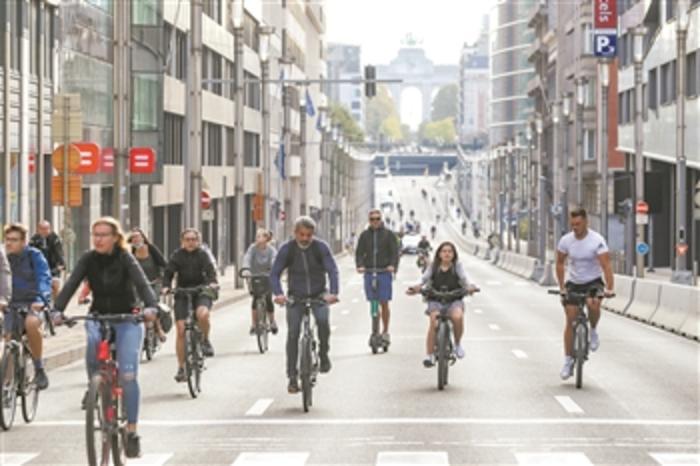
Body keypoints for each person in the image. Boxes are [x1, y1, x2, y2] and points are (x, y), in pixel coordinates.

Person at [52, 217, 158, 458]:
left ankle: (132, 431)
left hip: (127, 318)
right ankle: (96, 387)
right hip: (99, 316)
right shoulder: (88, 259)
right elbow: (71, 284)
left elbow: (142, 284)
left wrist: (151, 306)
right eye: (95, 234)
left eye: (103, 235)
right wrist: (57, 310)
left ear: (115, 238)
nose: (98, 239)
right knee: (92, 345)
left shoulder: (125, 258)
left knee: (128, 375)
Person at [270, 216, 339, 394]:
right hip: (295, 296)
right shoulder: (287, 249)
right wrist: (279, 294)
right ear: (295, 233)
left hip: (319, 294)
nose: (305, 238)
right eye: (301, 234)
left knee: (323, 321)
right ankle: (292, 377)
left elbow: (332, 270)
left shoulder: (321, 248)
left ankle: (323, 354)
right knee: (293, 333)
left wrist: (333, 293)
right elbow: (275, 273)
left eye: (309, 235)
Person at [555, 208, 615, 380]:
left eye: (578, 224)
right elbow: (560, 263)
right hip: (574, 282)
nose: (575, 227)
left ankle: (593, 330)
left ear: (586, 222)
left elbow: (606, 266)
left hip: (593, 281)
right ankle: (568, 361)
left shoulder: (597, 241)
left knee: (593, 304)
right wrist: (562, 287)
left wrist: (610, 288)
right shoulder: (566, 241)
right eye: (572, 224)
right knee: (570, 317)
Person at [407, 241, 476, 367]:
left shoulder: (457, 266)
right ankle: (430, 355)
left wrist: (471, 287)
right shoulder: (433, 266)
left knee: (457, 317)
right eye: (444, 251)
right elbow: (423, 279)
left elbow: (465, 279)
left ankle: (457, 344)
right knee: (434, 322)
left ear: (454, 254)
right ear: (439, 254)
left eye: (450, 251)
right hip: (436, 299)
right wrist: (415, 287)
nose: (447, 254)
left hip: (454, 299)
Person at [162, 228, 219, 383]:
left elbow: (211, 271)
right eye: (187, 239)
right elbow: (168, 273)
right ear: (182, 241)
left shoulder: (203, 255)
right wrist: (166, 286)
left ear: (198, 241)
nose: (190, 242)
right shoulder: (177, 256)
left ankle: (205, 340)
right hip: (182, 292)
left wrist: (212, 283)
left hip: (202, 291)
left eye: (193, 239)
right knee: (181, 330)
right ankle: (181, 368)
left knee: (202, 314)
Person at [3, 224, 52, 390]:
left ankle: (39, 368)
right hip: (9, 304)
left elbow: (44, 278)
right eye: (7, 239)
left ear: (24, 242)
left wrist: (40, 299)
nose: (9, 243)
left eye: (14, 240)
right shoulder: (3, 257)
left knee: (31, 323)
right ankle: (6, 385)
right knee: (8, 338)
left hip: (33, 303)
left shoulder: (34, 256)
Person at [355, 209, 399, 346]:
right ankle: (375, 330)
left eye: (377, 219)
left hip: (384, 272)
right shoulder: (364, 236)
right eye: (372, 219)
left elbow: (395, 253)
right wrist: (360, 266)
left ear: (381, 219)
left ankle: (385, 331)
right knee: (373, 302)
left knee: (384, 302)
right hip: (369, 272)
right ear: (369, 221)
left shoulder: (389, 235)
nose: (375, 221)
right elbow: (359, 253)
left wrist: (392, 265)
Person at [128, 228, 168, 342]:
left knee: (152, 305)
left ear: (143, 238)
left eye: (138, 236)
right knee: (135, 307)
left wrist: (164, 279)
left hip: (153, 282)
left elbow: (163, 264)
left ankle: (159, 328)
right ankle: (135, 326)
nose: (136, 239)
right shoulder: (130, 252)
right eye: (133, 237)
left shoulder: (151, 249)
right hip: (136, 285)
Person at [242, 228, 278, 335]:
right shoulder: (252, 248)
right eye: (257, 236)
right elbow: (247, 258)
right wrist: (246, 269)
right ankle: (254, 324)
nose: (257, 238)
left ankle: (272, 321)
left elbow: (274, 259)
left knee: (268, 299)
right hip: (255, 276)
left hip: (267, 276)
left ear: (266, 238)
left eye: (260, 236)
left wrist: (274, 268)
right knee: (255, 299)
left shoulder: (271, 250)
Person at [29, 220, 65, 299]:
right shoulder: (34, 240)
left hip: (53, 268)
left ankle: (57, 304)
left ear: (50, 229)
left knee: (55, 285)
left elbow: (59, 254)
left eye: (46, 229)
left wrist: (60, 265)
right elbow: (30, 253)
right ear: (38, 229)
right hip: (39, 269)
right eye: (42, 229)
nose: (44, 231)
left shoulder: (55, 239)